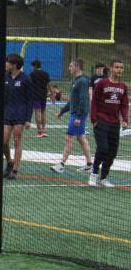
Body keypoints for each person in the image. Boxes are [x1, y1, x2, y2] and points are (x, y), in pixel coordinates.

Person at [89, 59, 129, 187]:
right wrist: (94, 119)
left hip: (115, 123)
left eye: (121, 68)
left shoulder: (123, 86)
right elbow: (94, 101)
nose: (119, 70)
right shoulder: (102, 83)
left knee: (112, 152)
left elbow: (124, 105)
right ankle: (94, 173)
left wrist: (125, 119)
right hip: (101, 121)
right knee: (103, 149)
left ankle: (103, 177)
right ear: (111, 68)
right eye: (117, 67)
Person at [51, 59, 93, 174]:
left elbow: (84, 100)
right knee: (81, 138)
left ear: (77, 67)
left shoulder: (82, 81)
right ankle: (90, 164)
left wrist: (78, 117)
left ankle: (61, 165)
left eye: (71, 66)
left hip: (78, 114)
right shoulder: (76, 80)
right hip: (76, 113)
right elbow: (73, 100)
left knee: (69, 137)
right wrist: (62, 111)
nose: (69, 68)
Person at [1, 53, 34, 180]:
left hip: (20, 114)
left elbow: (30, 100)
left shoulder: (26, 79)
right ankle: (9, 161)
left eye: (8, 62)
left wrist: (28, 119)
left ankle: (15, 170)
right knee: (3, 141)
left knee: (17, 140)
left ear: (14, 65)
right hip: (7, 113)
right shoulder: (5, 77)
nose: (6, 64)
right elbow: (1, 97)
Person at [28, 59, 50, 137]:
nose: (31, 68)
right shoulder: (45, 74)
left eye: (32, 66)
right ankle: (44, 130)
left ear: (35, 66)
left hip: (35, 96)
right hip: (44, 95)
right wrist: (51, 94)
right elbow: (48, 85)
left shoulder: (32, 74)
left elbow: (29, 85)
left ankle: (39, 132)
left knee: (37, 112)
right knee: (43, 112)